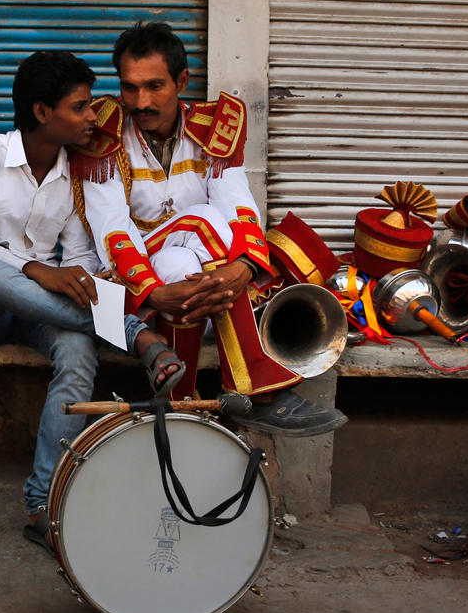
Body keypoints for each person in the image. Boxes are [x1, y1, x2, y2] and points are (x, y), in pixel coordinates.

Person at [0, 50, 187, 550]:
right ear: (41, 113)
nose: (93, 118)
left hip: (38, 310)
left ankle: (41, 505)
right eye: (80, 108)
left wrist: (86, 276)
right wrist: (35, 269)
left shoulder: (76, 171)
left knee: (77, 351)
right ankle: (136, 336)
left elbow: (77, 253)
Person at [69, 22, 347, 437]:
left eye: (155, 86)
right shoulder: (104, 133)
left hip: (189, 263)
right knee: (204, 219)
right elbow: (112, 229)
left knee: (187, 261)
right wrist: (152, 289)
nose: (140, 101)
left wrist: (243, 268)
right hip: (128, 278)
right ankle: (258, 388)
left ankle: (181, 402)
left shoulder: (214, 127)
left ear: (182, 81)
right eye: (130, 88)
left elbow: (236, 203)